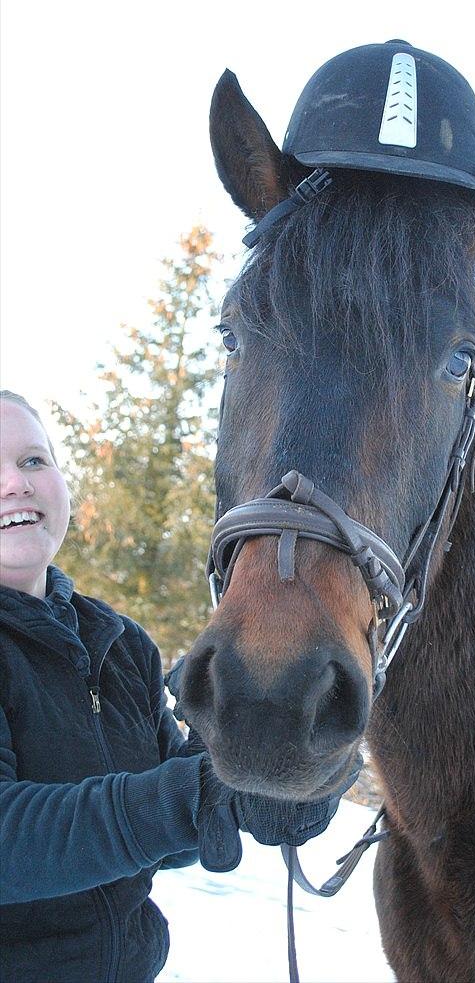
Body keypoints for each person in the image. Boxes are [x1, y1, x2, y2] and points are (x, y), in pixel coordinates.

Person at [0, 391, 357, 983]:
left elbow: (172, 839)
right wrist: (190, 795)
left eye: (34, 460)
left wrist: (252, 765)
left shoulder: (117, 644)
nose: (15, 484)